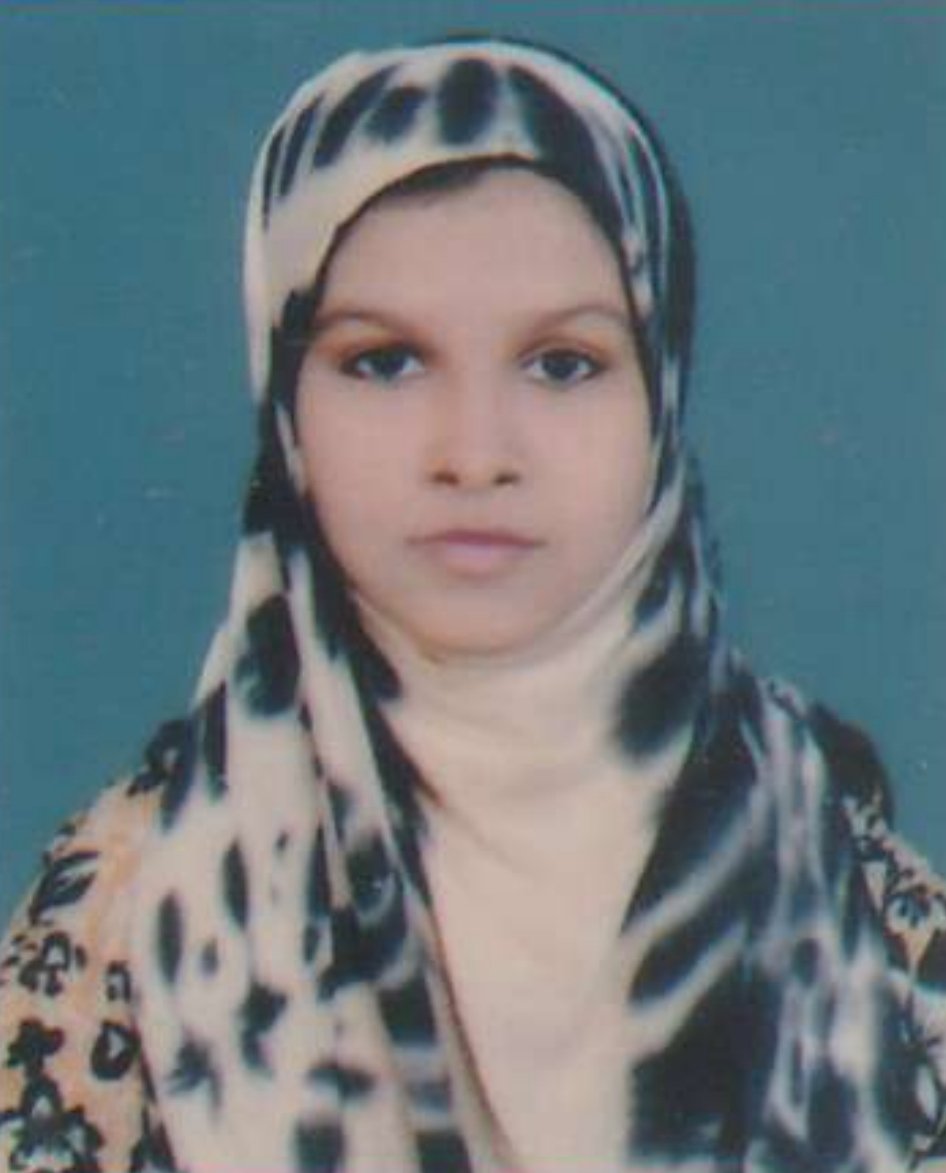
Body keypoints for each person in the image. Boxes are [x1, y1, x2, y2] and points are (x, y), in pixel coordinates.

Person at [1, 34, 945, 1173]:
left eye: (563, 363)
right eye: (384, 361)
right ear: (285, 402)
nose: (475, 451)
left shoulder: (851, 889)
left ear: (661, 394)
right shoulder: (123, 910)